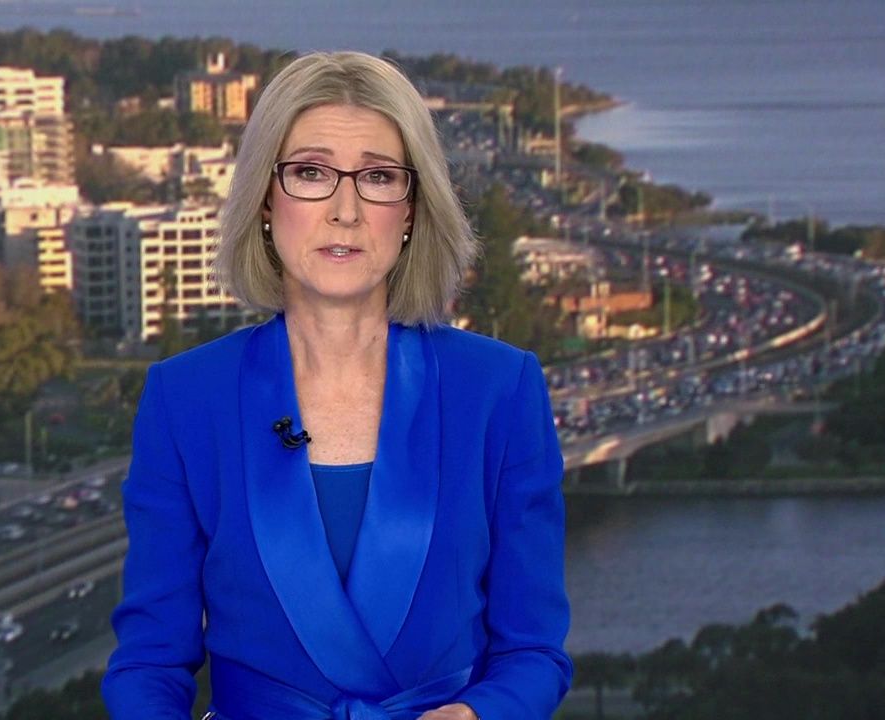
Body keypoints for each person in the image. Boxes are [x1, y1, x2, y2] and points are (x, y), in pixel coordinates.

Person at [102, 50, 572, 720]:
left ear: (411, 211)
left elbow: (535, 652)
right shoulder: (185, 400)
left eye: (378, 177)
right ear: (265, 200)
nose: (344, 210)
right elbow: (150, 662)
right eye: (311, 173)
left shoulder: (501, 390)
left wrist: (476, 715)